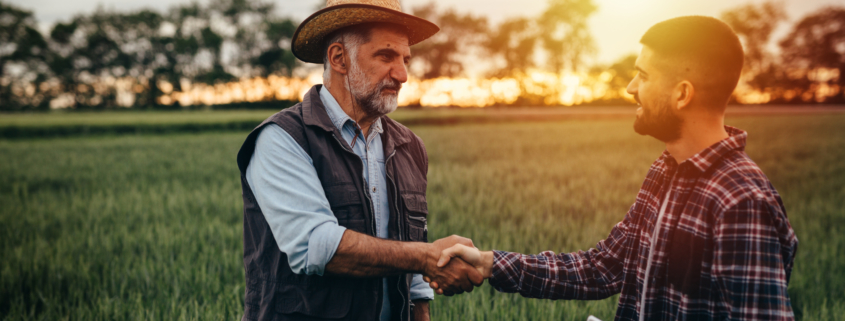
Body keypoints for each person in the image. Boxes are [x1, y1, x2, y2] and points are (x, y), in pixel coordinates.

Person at [434, 16, 799, 320]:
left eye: (643, 74)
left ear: (682, 94)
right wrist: (486, 263)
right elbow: (604, 267)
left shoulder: (742, 201)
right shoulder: (666, 171)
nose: (630, 87)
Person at [235, 1, 482, 320]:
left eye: (406, 59)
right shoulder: (282, 139)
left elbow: (414, 269)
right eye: (386, 56)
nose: (403, 74)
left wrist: (422, 289)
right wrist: (426, 256)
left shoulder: (409, 146)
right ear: (339, 58)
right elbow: (316, 246)